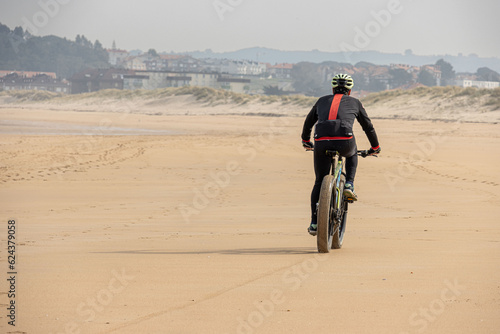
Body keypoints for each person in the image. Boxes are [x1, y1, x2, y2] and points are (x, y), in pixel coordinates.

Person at [301, 74, 381, 236]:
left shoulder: (321, 101)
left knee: (319, 181)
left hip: (321, 141)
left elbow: (308, 122)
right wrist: (375, 147)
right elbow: (368, 127)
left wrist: (305, 140)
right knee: (352, 152)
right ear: (349, 91)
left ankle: (314, 223)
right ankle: (349, 184)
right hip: (345, 141)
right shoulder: (355, 102)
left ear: (332, 88)